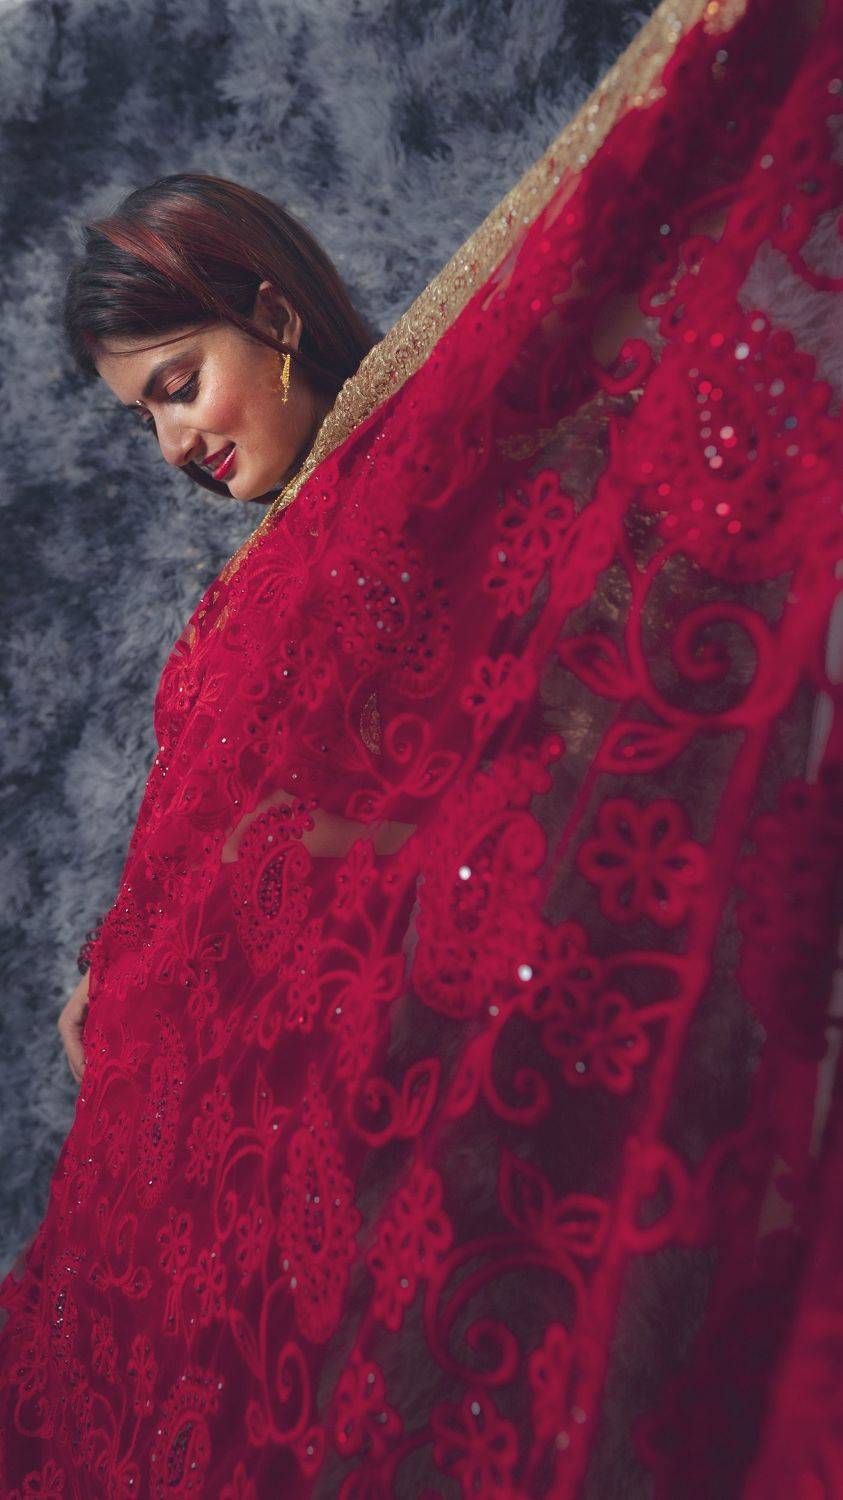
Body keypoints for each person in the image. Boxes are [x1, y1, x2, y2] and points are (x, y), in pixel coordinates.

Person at [1, 0, 841, 1495]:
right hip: (328, 1135)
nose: (172, 445)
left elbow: (557, 734)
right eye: (141, 419)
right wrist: (123, 978)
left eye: (178, 383)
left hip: (483, 1055)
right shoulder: (250, 600)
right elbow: (243, 835)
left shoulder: (455, 459)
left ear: (271, 315)